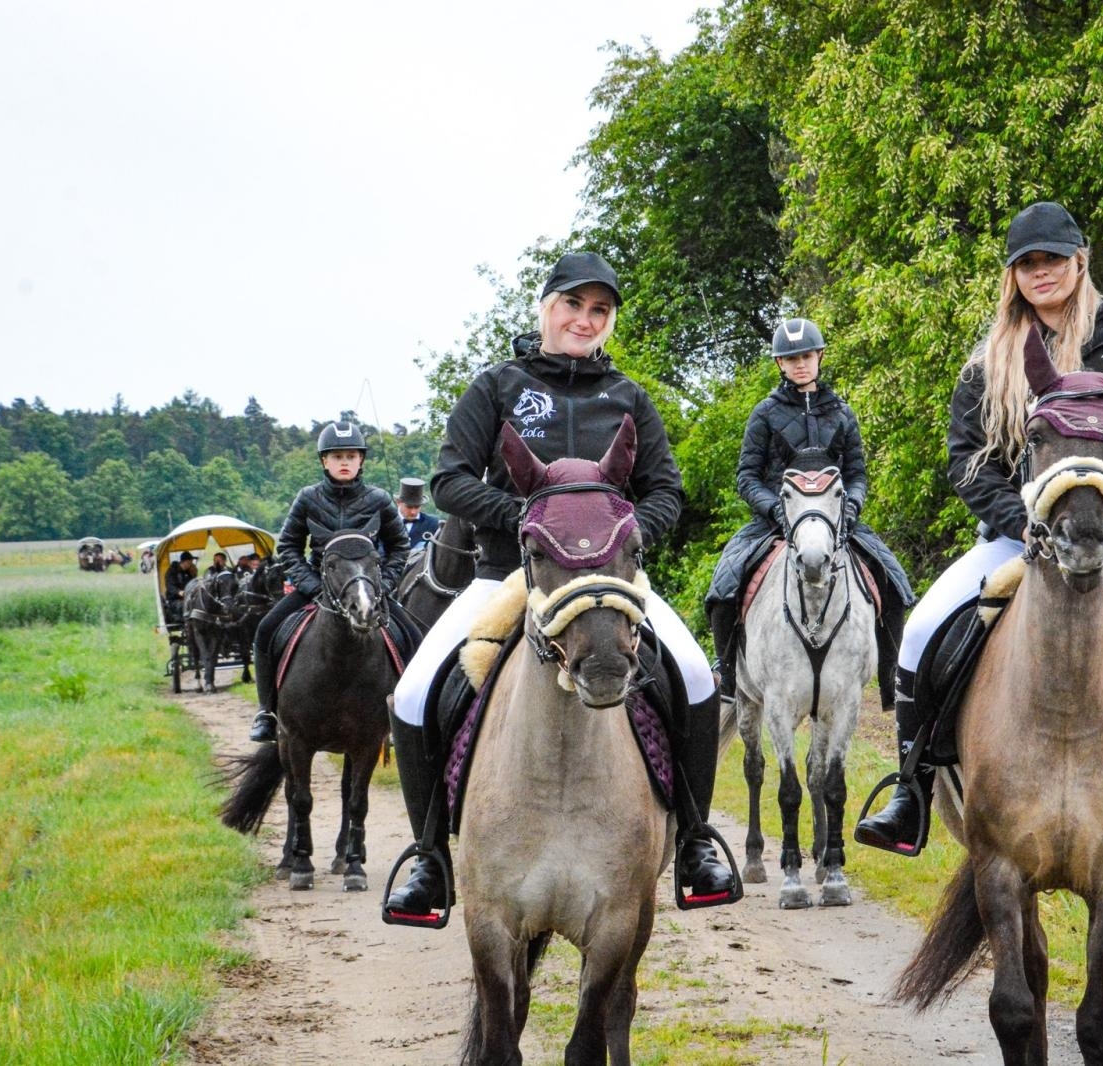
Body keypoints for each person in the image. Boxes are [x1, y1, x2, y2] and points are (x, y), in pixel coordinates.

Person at [854, 201, 1103, 869]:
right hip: (1017, 540)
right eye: (1027, 263)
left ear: (1079, 262)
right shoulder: (989, 361)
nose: (1042, 272)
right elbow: (966, 459)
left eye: (1053, 259)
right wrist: (1021, 522)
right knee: (918, 633)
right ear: (1013, 275)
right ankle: (911, 792)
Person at [385, 250, 739, 918]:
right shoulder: (498, 386)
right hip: (507, 575)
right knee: (412, 692)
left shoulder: (628, 396)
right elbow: (449, 480)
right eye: (573, 304)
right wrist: (526, 520)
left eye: (599, 309)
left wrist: (619, 532)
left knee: (696, 676)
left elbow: (665, 491)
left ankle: (695, 840)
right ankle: (430, 857)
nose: (585, 318)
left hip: (610, 578)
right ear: (547, 308)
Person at [705, 317, 915, 714]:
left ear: (819, 357)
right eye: (791, 358)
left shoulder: (842, 413)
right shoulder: (765, 413)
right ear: (780, 364)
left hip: (836, 522)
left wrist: (850, 508)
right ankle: (729, 677)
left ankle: (891, 679)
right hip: (774, 522)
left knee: (895, 583)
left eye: (806, 356)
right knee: (723, 586)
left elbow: (857, 475)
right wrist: (776, 510)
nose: (800, 364)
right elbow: (747, 477)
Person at [247, 421, 412, 742]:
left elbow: (399, 547)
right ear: (324, 461)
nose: (344, 462)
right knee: (266, 630)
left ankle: (405, 714)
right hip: (319, 586)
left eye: (351, 456)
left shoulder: (379, 499)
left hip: (366, 588)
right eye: (337, 456)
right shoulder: (307, 498)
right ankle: (266, 712)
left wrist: (382, 586)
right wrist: (312, 586)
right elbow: (288, 546)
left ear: (361, 460)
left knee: (414, 636)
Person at [397, 477, 441, 555]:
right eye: (409, 507)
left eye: (417, 507)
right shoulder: (386, 522)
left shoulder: (434, 524)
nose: (413, 512)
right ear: (399, 502)